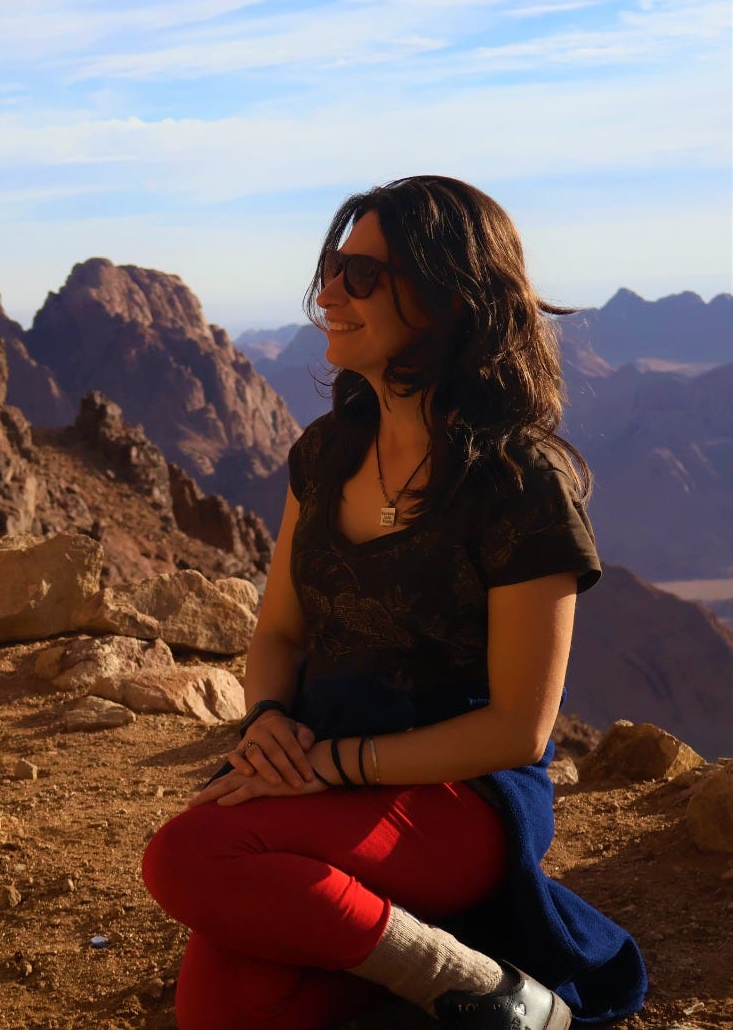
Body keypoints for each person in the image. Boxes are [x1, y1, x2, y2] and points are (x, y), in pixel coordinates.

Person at [140, 175, 647, 1030]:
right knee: (224, 1003)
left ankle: (465, 977)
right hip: (318, 766)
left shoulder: (521, 484)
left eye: (363, 276)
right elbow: (279, 633)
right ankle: (444, 982)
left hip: (459, 794)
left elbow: (517, 729)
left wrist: (329, 769)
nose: (328, 294)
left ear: (447, 295)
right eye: (332, 269)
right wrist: (265, 719)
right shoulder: (326, 454)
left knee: (188, 856)